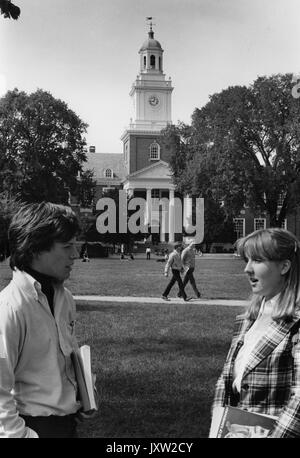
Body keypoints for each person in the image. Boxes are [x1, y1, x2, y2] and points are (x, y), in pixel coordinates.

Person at [0, 202, 94, 438]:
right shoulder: (11, 307)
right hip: (34, 427)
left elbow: (63, 357)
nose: (75, 255)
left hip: (67, 425)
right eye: (67, 246)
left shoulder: (65, 298)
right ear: (35, 249)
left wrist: (83, 394)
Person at [209, 228, 300, 438]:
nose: (247, 269)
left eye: (257, 260)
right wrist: (217, 428)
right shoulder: (247, 319)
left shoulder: (296, 322)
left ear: (284, 266)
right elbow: (225, 379)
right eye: (247, 260)